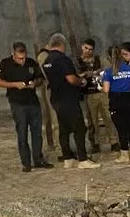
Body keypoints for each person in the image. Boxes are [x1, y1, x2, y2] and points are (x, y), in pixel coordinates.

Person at [42, 33, 100, 169]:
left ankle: (67, 158)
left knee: (64, 128)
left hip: (56, 99)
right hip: (68, 98)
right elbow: (70, 79)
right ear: (62, 45)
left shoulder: (47, 61)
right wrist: (82, 81)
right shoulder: (63, 59)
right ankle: (83, 159)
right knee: (79, 127)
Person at [0, 42, 53, 173]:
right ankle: (26, 162)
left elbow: (39, 78)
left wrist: (35, 83)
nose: (22, 61)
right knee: (22, 133)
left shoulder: (31, 63)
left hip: (32, 102)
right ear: (13, 54)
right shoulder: (5, 64)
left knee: (37, 133)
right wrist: (15, 85)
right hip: (17, 103)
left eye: (24, 57)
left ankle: (38, 159)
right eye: (19, 58)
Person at [102, 44, 130, 163]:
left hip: (116, 101)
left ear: (109, 58)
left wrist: (100, 86)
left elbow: (106, 89)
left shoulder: (109, 72)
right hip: (129, 99)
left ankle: (124, 154)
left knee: (121, 129)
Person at [77, 38, 114, 153]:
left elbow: (109, 69)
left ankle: (114, 141)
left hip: (102, 92)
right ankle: (95, 143)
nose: (87, 51)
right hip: (88, 94)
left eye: (90, 49)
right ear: (82, 47)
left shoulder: (99, 59)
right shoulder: (77, 61)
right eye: (86, 48)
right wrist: (84, 74)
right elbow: (74, 75)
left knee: (108, 117)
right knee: (92, 121)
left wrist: (99, 71)